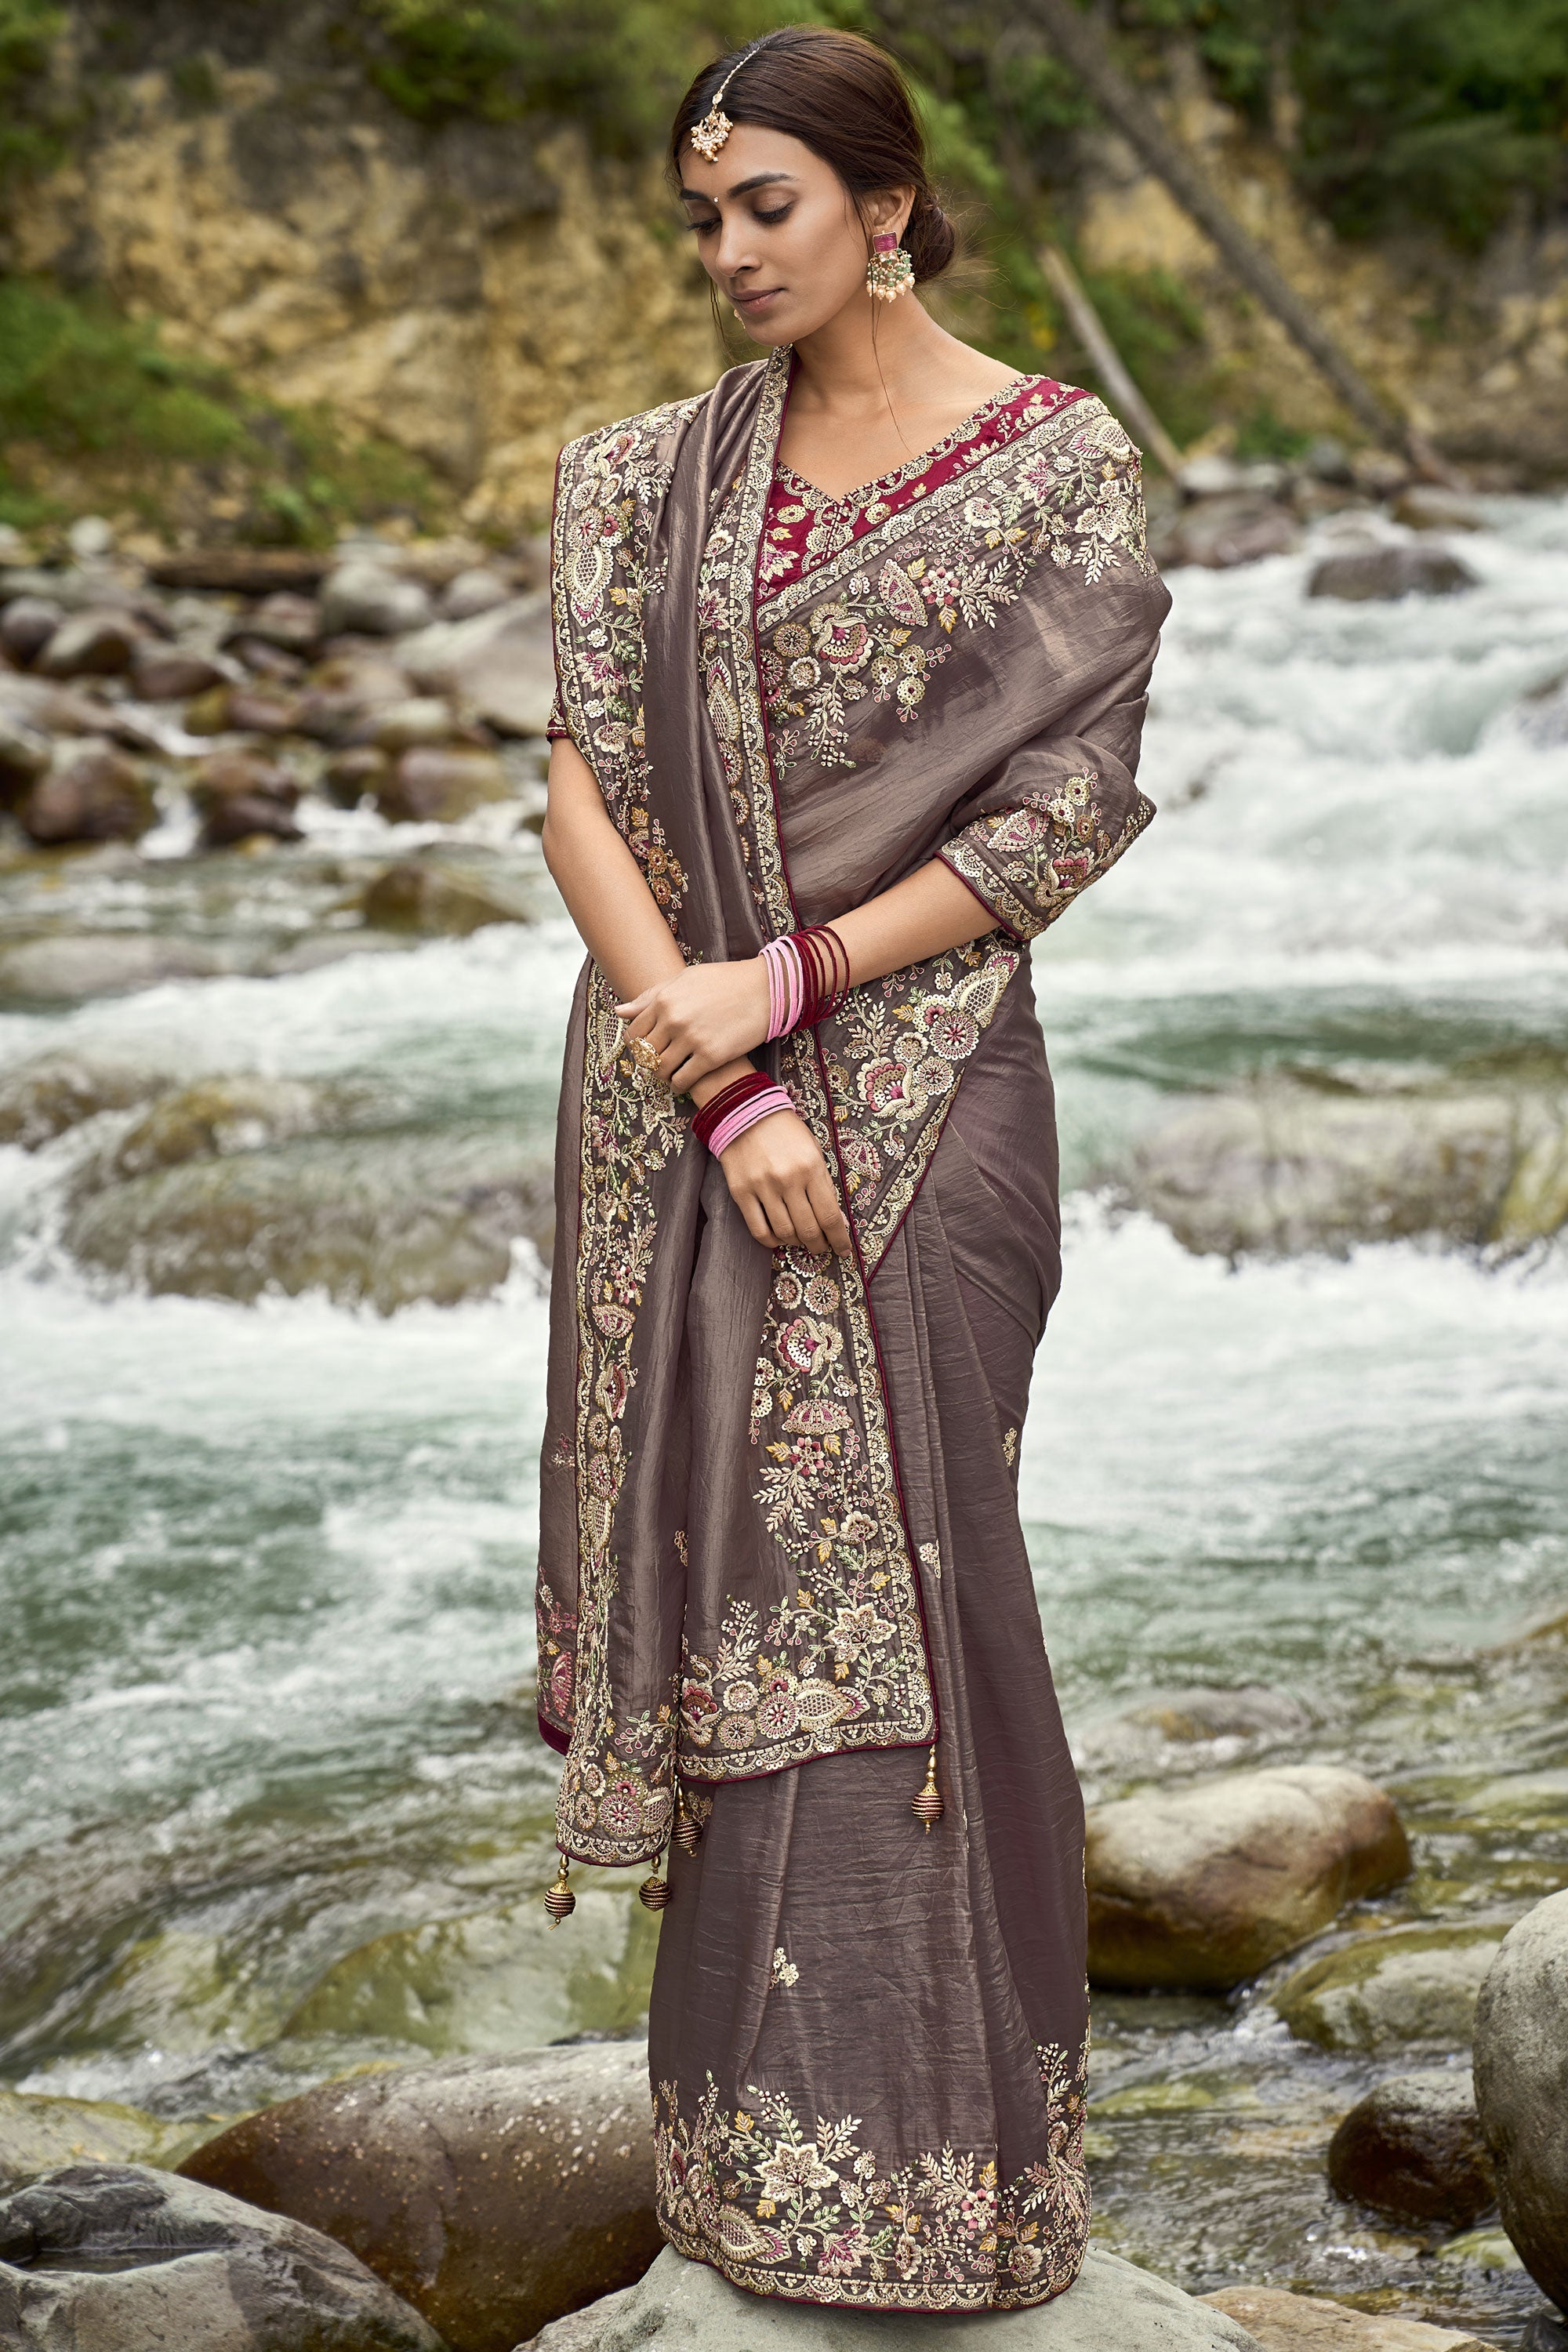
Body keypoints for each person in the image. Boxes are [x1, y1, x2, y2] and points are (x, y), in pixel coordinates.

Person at [534, 24, 1170, 2313]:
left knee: (920, 1574)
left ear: (885, 207)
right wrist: (720, 1078)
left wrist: (790, 984)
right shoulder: (643, 479)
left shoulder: (1053, 465)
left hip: (933, 1082)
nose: (727, 252)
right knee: (740, 1584)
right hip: (683, 1092)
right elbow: (580, 788)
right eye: (702, 217)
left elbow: (1067, 812)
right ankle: (756, 2179)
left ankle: (953, 2176)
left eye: (767, 206)